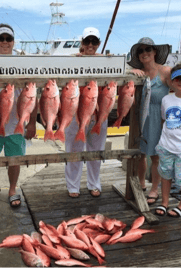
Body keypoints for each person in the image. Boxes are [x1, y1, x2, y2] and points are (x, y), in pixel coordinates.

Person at [0, 23, 37, 207]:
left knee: (15, 160)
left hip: (16, 125)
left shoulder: (25, 65)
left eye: (8, 39)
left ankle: (13, 188)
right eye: (1, 38)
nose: (5, 42)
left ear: (13, 42)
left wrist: (32, 123)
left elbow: (32, 96)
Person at [127, 37, 172, 205]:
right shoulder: (138, 74)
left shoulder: (166, 71)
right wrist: (131, 73)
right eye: (140, 51)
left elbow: (180, 90)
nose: (144, 53)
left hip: (158, 118)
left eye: (147, 49)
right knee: (140, 153)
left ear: (154, 52)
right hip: (140, 117)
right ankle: (141, 183)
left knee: (156, 156)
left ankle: (155, 189)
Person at [65, 27, 107, 198]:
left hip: (98, 113)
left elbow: (122, 74)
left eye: (94, 42)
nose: (90, 45)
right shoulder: (71, 60)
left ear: (99, 43)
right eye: (87, 41)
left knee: (96, 151)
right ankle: (73, 186)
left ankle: (94, 184)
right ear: (82, 42)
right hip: (75, 112)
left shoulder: (107, 61)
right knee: (73, 151)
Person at [154, 63, 181, 217]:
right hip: (166, 146)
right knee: (165, 175)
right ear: (172, 81)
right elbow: (165, 119)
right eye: (177, 79)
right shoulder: (166, 99)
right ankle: (164, 202)